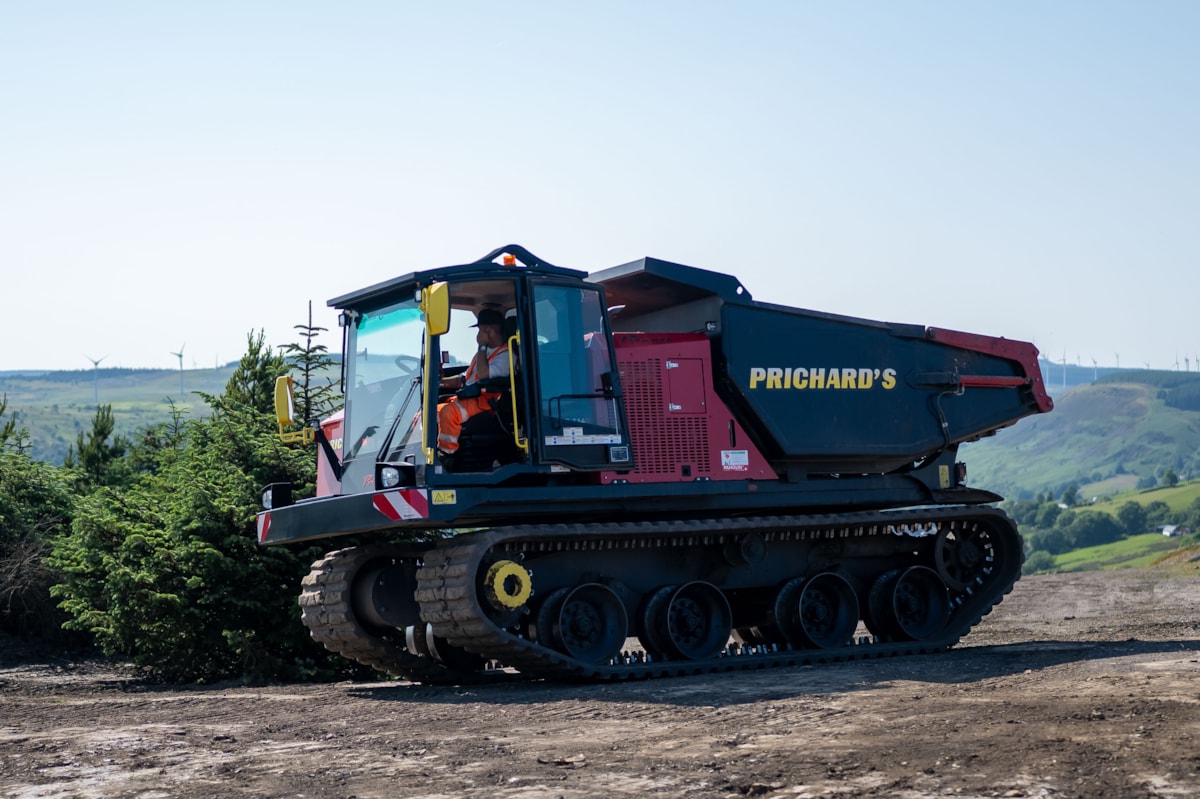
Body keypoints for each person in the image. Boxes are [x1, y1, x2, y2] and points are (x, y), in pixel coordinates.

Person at [437, 308, 510, 457]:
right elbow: (464, 379)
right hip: (470, 398)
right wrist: (439, 382)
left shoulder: (506, 356)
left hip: (486, 403)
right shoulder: (482, 354)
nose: (477, 334)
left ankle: (447, 455)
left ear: (488, 330)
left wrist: (481, 346)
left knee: (448, 412)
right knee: (431, 412)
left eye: (479, 329)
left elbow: (483, 375)